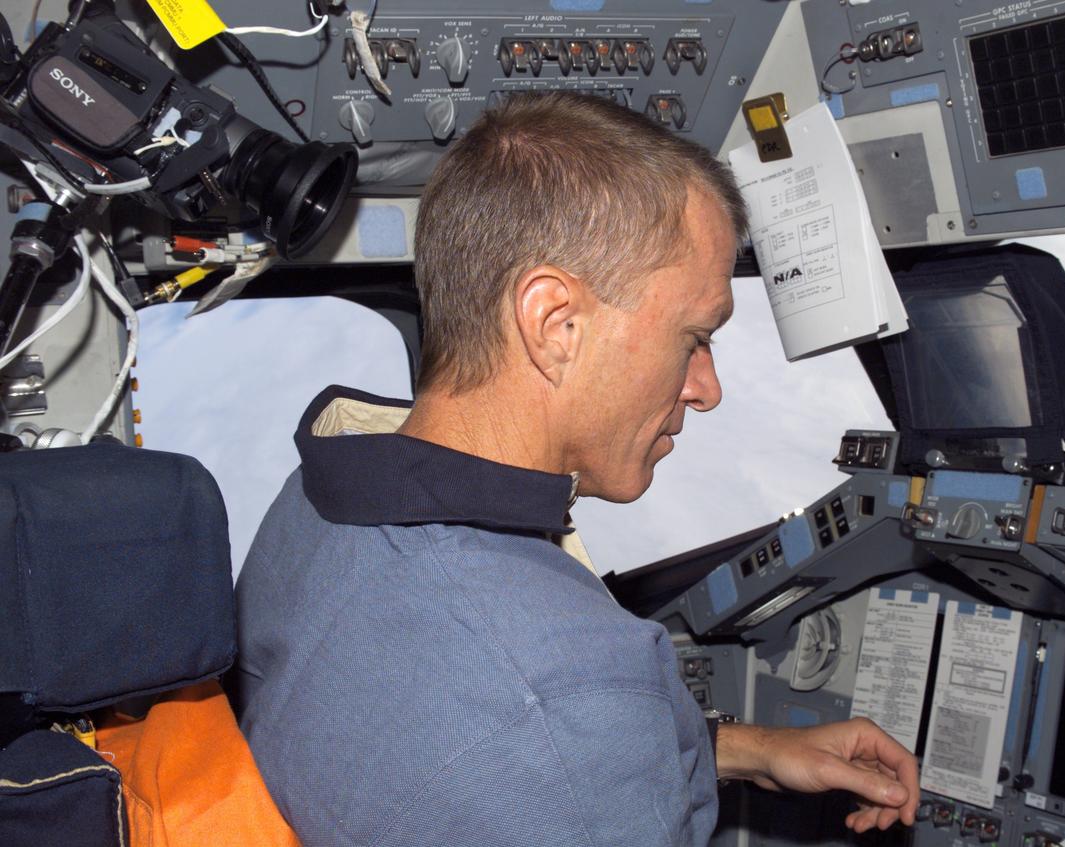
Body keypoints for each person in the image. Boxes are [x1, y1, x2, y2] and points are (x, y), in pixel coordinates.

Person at [234, 91, 919, 846]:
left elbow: (453, 753)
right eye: (695, 336)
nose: (707, 387)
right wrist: (615, 734)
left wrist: (750, 750)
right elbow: (551, 736)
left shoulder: (316, 498)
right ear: (555, 325)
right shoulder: (565, 701)